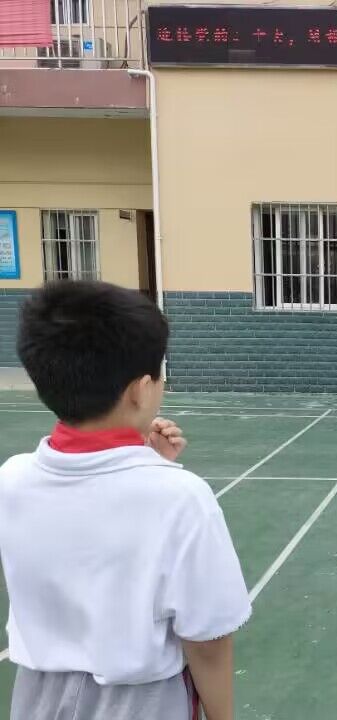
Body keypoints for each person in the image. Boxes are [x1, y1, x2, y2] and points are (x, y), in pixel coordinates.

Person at [1, 281, 251, 720]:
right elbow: (208, 641)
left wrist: (146, 461)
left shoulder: (11, 478)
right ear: (140, 389)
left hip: (37, 700)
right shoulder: (181, 497)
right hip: (141, 704)